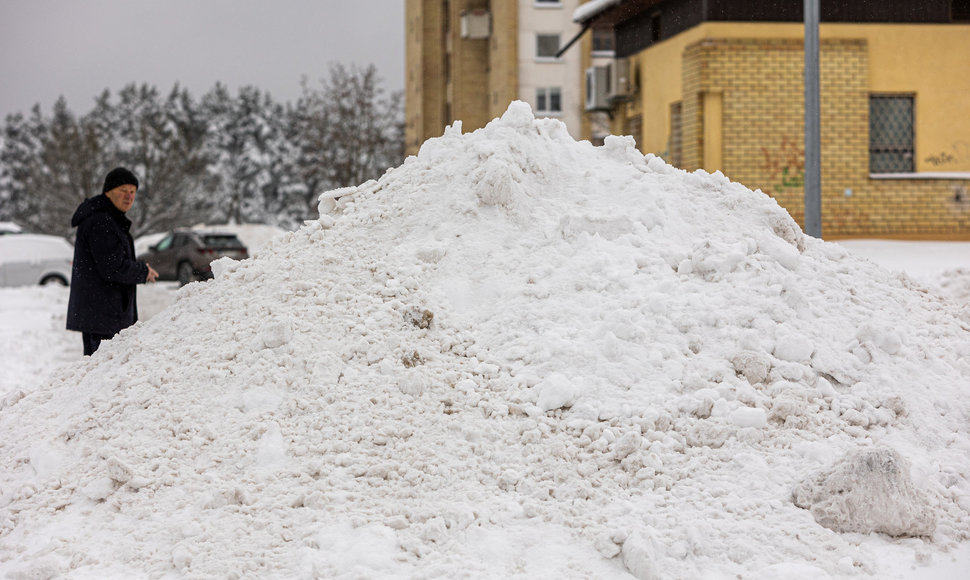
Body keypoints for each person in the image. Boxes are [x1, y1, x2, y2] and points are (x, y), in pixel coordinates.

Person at [67, 167, 159, 355]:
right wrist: (143, 272)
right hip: (103, 317)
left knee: (105, 375)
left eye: (133, 192)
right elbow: (113, 267)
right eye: (123, 190)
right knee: (103, 376)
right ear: (108, 191)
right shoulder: (101, 222)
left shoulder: (110, 219)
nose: (129, 196)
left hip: (104, 316)